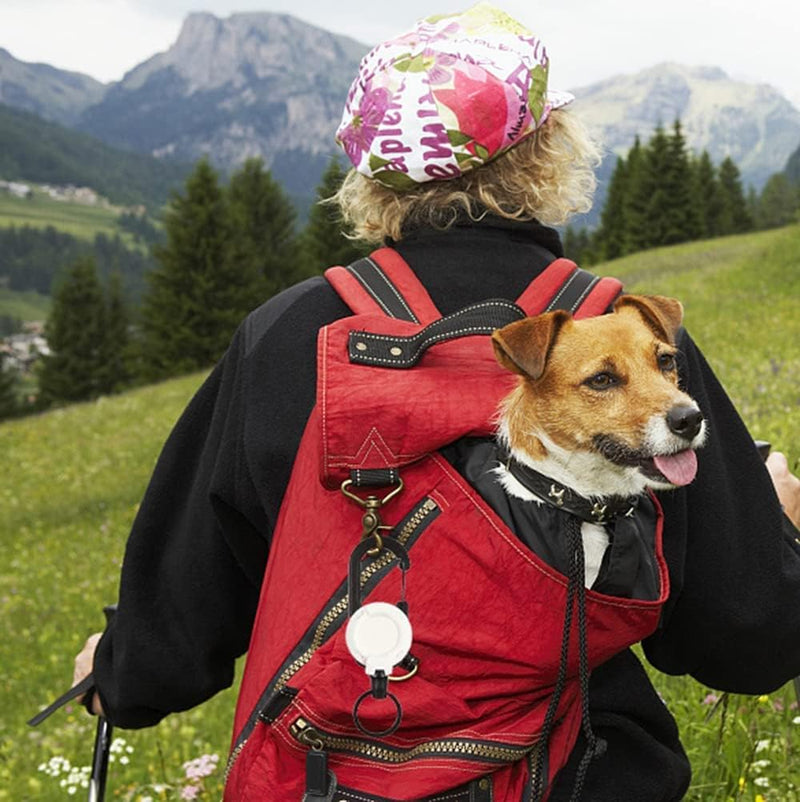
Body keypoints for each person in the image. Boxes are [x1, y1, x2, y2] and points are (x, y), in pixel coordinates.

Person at [73, 3, 800, 799]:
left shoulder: (283, 338)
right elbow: (750, 639)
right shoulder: (625, 335)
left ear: (372, 174)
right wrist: (778, 521)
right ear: (548, 149)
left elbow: (184, 599)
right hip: (578, 773)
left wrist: (119, 675)